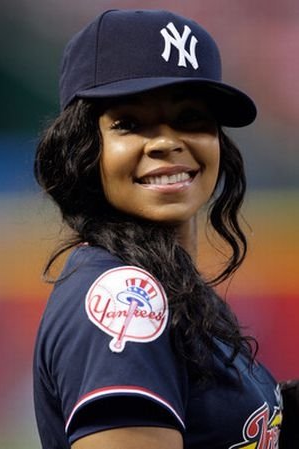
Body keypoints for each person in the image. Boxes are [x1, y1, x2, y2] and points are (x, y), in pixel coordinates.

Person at [33, 9, 283, 449]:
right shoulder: (125, 296)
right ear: (82, 148)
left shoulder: (172, 284)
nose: (168, 141)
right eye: (129, 122)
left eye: (191, 119)